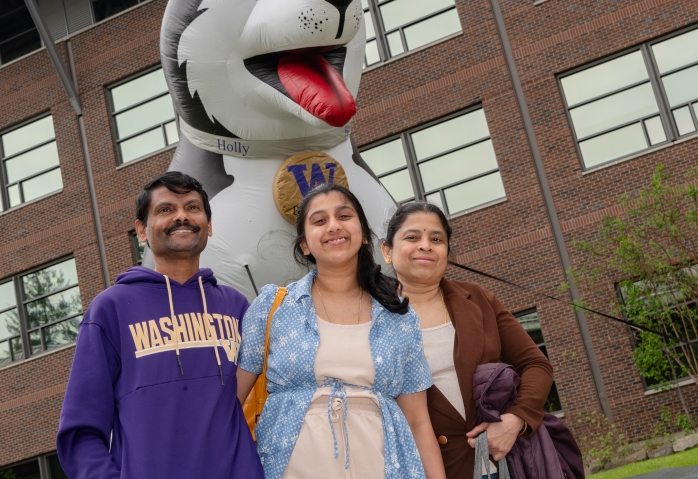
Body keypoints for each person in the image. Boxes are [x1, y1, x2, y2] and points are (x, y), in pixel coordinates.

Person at [56, 172, 263, 479]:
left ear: (209, 224)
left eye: (192, 208)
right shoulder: (110, 309)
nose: (182, 216)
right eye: (166, 210)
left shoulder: (237, 307)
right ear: (141, 230)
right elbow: (80, 431)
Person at [236, 183, 447, 479]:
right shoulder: (274, 306)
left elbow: (417, 420)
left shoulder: (398, 315)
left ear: (362, 234)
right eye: (320, 221)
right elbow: (232, 401)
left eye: (344, 216)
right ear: (305, 245)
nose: (333, 226)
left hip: (384, 467)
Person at [380, 202, 554, 479]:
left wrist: (516, 419)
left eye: (436, 239)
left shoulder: (478, 299)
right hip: (427, 471)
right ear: (387, 251)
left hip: (506, 464)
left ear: (446, 251)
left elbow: (535, 364)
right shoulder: (369, 318)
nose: (425, 245)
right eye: (412, 237)